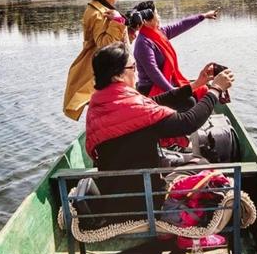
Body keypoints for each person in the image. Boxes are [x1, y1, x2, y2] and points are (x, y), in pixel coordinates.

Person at [85, 42, 234, 223]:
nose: (137, 72)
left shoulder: (100, 102)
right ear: (117, 75)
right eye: (133, 67)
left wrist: (196, 84)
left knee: (178, 161)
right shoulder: (135, 111)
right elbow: (188, 123)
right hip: (143, 202)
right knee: (201, 162)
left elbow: (152, 101)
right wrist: (215, 90)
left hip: (114, 197)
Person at [63, 0, 128, 120]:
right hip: (104, 77)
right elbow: (105, 47)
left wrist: (128, 31)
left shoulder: (102, 9)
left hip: (108, 75)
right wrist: (119, 21)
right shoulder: (98, 13)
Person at [133, 0, 219, 99]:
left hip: (167, 84)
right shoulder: (143, 43)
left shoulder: (160, 33)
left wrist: (204, 16)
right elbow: (154, 73)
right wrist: (174, 93)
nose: (159, 17)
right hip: (151, 89)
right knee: (189, 100)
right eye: (156, 14)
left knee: (203, 90)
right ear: (146, 21)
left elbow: (181, 25)